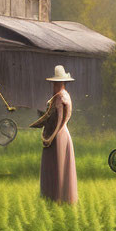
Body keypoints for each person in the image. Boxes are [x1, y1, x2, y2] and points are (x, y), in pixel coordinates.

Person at [28, 65, 78, 204]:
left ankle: (56, 198)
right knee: (60, 166)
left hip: (58, 136)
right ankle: (62, 198)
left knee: (56, 166)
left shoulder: (59, 97)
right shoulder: (66, 95)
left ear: (60, 83)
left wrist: (50, 138)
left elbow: (60, 121)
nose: (54, 85)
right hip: (64, 135)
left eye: (56, 83)